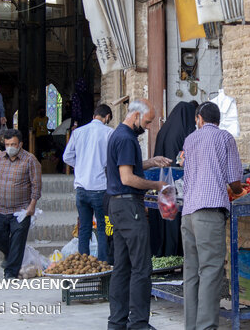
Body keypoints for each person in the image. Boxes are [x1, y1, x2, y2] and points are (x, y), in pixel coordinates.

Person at [106, 99, 171, 330]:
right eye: (147, 121)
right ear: (135, 115)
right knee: (141, 268)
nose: (148, 126)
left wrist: (150, 162)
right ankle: (139, 324)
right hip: (128, 206)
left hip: (118, 206)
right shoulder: (126, 138)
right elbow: (127, 178)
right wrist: (157, 185)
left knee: (122, 267)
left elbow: (126, 167)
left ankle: (117, 323)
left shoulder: (120, 135)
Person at [181, 101, 243, 330]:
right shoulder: (225, 138)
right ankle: (206, 327)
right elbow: (234, 180)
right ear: (218, 120)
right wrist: (240, 191)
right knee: (210, 271)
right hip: (209, 213)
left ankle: (191, 326)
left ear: (199, 118)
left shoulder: (190, 139)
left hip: (188, 214)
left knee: (192, 272)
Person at [63, 104, 113, 261]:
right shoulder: (109, 133)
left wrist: (81, 166)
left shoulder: (78, 132)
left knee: (84, 228)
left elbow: (67, 157)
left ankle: (84, 262)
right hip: (99, 188)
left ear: (94, 116)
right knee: (103, 228)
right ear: (107, 117)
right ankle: (103, 263)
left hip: (82, 188)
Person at [149, 100, 198, 257]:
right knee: (175, 219)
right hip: (177, 185)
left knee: (165, 217)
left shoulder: (164, 130)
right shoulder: (185, 132)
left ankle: (164, 253)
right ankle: (176, 254)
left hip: (162, 184)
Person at [0, 129, 41, 280]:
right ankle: (12, 255)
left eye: (13, 144)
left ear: (20, 144)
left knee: (18, 241)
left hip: (21, 209)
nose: (10, 147)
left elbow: (36, 184)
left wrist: (32, 205)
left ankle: (10, 273)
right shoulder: (0, 157)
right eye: (7, 144)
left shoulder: (30, 160)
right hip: (1, 207)